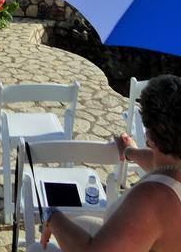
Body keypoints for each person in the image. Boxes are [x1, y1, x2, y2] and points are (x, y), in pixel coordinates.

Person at [30, 74, 181, 252]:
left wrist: (51, 216)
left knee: (37, 249)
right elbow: (161, 165)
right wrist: (129, 151)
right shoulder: (171, 169)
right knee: (79, 223)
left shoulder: (152, 198)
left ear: (151, 139)